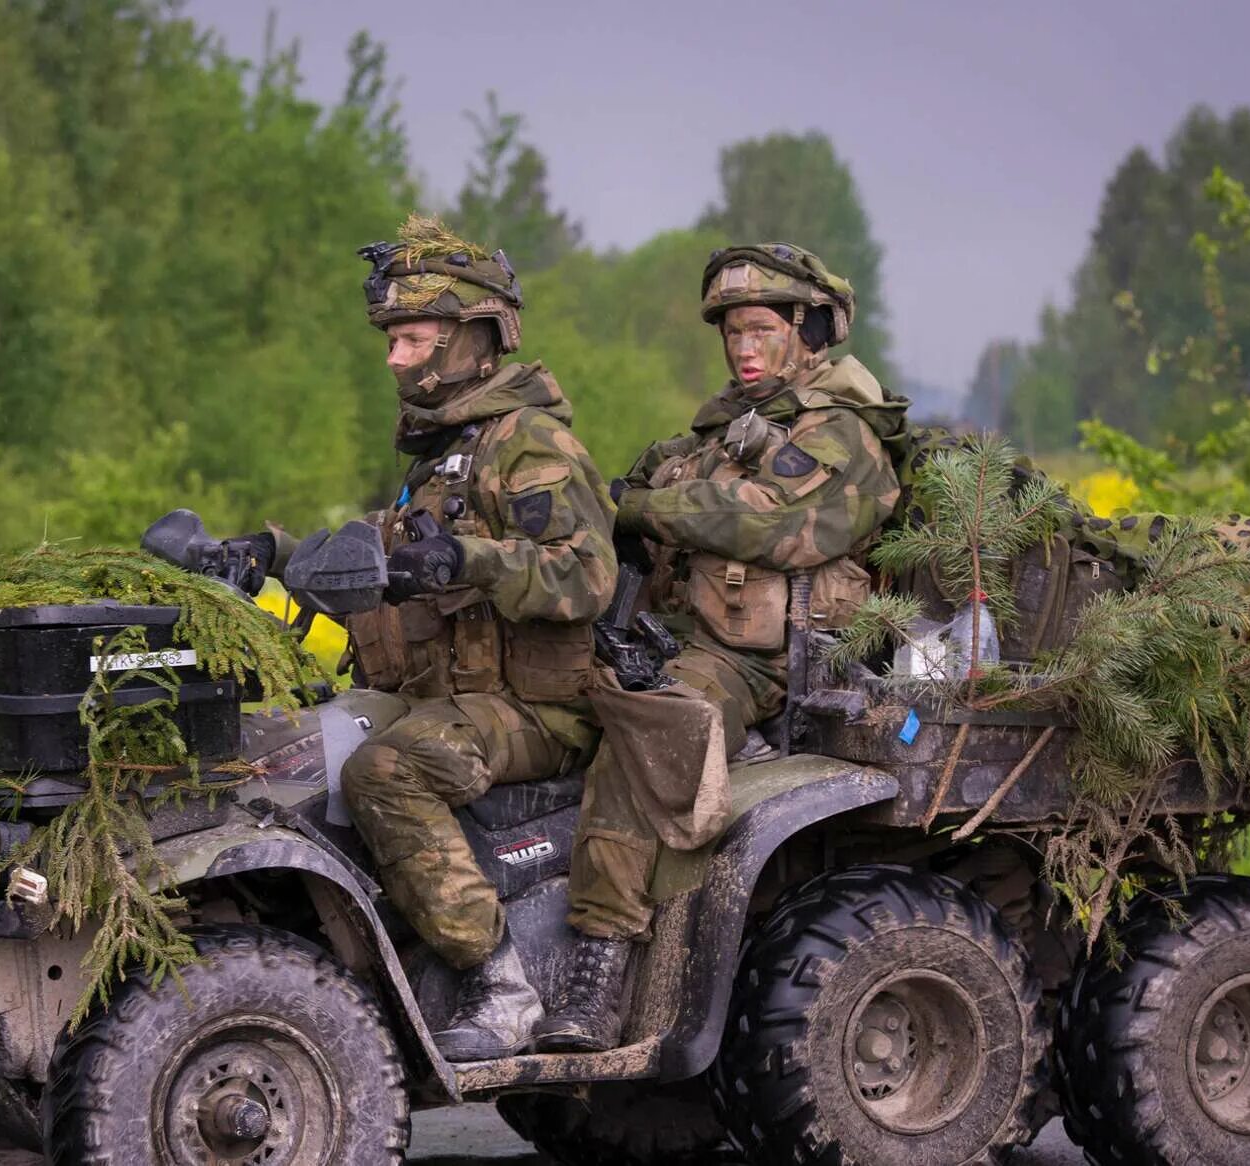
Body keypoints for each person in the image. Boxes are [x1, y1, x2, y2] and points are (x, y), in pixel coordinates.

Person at [534, 243, 908, 1053]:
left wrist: (646, 508)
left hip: (767, 662)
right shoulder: (715, 434)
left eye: (761, 330)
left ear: (808, 332)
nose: (743, 347)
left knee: (647, 731)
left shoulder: (844, 433)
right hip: (670, 636)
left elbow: (774, 522)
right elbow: (619, 507)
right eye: (732, 332)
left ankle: (598, 969)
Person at [322, 215, 618, 1062]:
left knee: (383, 768)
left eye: (411, 338)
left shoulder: (529, 444)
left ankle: (501, 983)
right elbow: (390, 561)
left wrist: (472, 557)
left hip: (539, 709)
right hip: (453, 697)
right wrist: (267, 556)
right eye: (392, 339)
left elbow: (586, 576)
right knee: (294, 747)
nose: (394, 357)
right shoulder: (442, 451)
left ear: (471, 340)